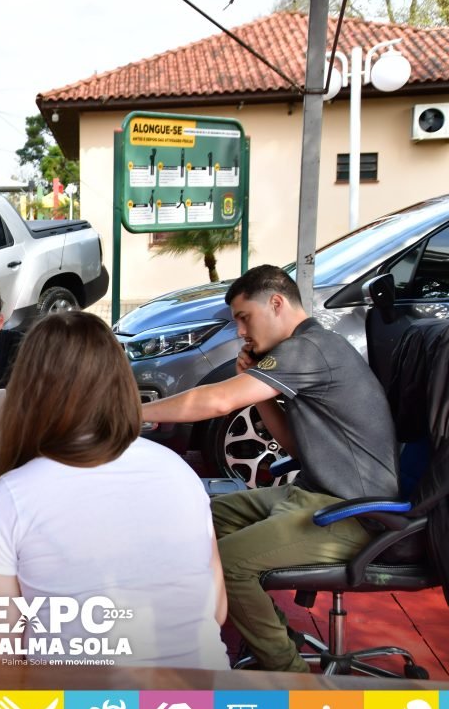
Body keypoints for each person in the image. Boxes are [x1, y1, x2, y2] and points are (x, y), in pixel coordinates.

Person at [142, 264, 399, 672]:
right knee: (199, 517)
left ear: (276, 303)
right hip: (312, 493)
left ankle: (290, 673)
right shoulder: (309, 349)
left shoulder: (310, 348)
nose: (241, 332)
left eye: (244, 318)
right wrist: (261, 391)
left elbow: (217, 401)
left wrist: (132, 412)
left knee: (226, 563)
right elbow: (295, 447)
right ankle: (278, 635)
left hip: (352, 512)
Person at [0, 311, 228, 668]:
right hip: (201, 695)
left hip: (74, 701)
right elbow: (216, 610)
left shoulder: (12, 496)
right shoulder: (180, 472)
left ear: (27, 391)